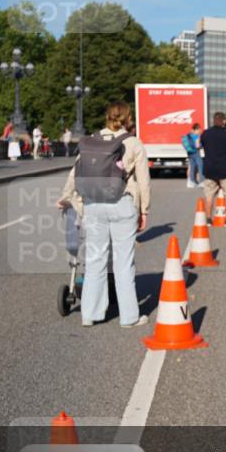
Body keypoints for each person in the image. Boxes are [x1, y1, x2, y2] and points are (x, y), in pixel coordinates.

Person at [57, 101, 151, 328]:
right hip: (122, 203)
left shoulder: (91, 140)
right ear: (128, 119)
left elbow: (75, 172)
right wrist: (144, 210)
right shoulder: (133, 142)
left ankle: (90, 314)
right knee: (123, 263)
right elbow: (144, 181)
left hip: (93, 205)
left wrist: (66, 196)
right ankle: (129, 317)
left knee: (95, 260)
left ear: (107, 117)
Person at [201, 113, 226, 227]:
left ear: (214, 121)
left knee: (209, 194)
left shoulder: (205, 134)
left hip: (210, 169)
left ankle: (208, 219)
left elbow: (202, 144)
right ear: (224, 121)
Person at [182, 123, 203, 189]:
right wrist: (201, 146)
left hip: (189, 153)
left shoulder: (188, 135)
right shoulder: (197, 136)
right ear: (196, 129)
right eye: (199, 129)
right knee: (200, 166)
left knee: (192, 167)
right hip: (196, 152)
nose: (200, 131)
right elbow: (197, 146)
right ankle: (202, 181)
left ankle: (191, 182)